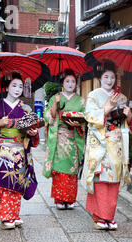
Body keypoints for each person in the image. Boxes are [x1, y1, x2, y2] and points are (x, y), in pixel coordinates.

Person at [0, 72, 40, 230]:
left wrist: (33, 133)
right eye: (14, 85)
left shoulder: (25, 107)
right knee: (4, 182)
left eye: (20, 86)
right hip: (3, 152)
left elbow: (32, 127)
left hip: (20, 150)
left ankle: (13, 214)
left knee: (18, 182)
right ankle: (6, 217)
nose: (18, 89)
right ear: (6, 87)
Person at [82, 59, 132, 230]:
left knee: (114, 180)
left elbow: (127, 124)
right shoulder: (94, 95)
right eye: (106, 77)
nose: (109, 80)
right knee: (101, 178)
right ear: (100, 78)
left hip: (117, 143)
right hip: (101, 142)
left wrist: (129, 115)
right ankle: (99, 216)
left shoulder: (122, 97)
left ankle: (109, 216)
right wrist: (108, 107)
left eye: (112, 77)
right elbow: (90, 116)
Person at [43, 69, 86, 210]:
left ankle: (70, 199)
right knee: (59, 169)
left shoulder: (81, 100)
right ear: (62, 83)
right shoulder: (56, 97)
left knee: (72, 170)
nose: (70, 84)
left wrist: (79, 124)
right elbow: (50, 117)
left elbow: (86, 118)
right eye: (67, 81)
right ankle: (60, 199)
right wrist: (55, 103)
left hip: (73, 138)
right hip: (59, 139)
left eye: (73, 81)